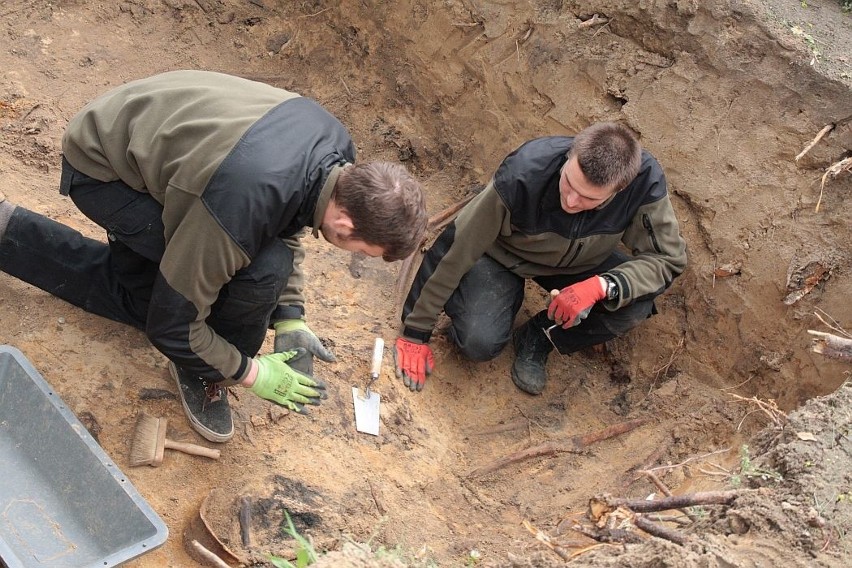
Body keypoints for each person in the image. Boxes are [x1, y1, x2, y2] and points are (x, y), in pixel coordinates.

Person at [0, 70, 428, 443]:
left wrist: (291, 316)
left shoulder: (337, 153)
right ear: (346, 227)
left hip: (151, 133)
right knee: (233, 281)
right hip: (105, 173)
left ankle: (7, 231)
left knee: (217, 273)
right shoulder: (238, 206)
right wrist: (248, 371)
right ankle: (205, 371)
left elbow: (291, 218)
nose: (359, 255)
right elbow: (172, 327)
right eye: (364, 251)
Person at [392, 122, 687, 396]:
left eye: (589, 200)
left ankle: (539, 336)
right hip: (503, 257)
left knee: (635, 304)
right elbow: (456, 248)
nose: (571, 201)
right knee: (478, 342)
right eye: (569, 183)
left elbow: (668, 258)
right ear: (570, 155)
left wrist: (599, 286)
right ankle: (483, 298)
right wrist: (415, 332)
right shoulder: (524, 173)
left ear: (619, 190)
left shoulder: (644, 183)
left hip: (583, 263)